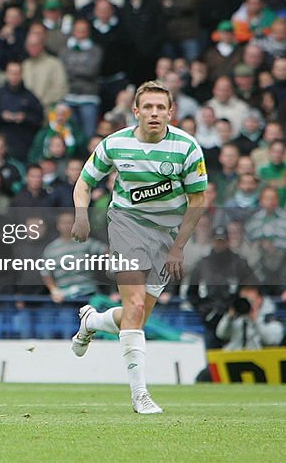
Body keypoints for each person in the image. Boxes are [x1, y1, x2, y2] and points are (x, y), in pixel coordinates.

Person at [70, 81, 207, 414]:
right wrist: (81, 216)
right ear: (136, 111)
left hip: (165, 237)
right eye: (148, 107)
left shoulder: (187, 148)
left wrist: (177, 248)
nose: (155, 113)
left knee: (135, 317)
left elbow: (198, 199)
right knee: (132, 304)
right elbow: (85, 182)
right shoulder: (115, 144)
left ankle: (92, 321)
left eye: (161, 107)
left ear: (171, 112)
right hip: (127, 227)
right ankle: (140, 395)